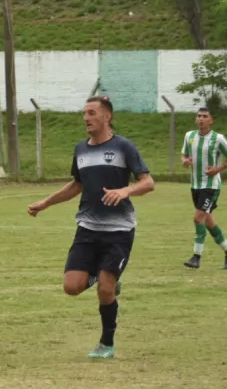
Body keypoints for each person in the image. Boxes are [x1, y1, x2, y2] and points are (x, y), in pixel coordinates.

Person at [27, 96, 155, 359]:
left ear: (107, 116)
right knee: (71, 287)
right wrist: (45, 203)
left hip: (119, 230)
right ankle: (106, 277)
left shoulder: (124, 147)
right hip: (87, 228)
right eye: (84, 113)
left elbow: (148, 182)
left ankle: (106, 344)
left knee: (105, 290)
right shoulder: (80, 149)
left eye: (92, 113)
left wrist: (125, 190)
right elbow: (77, 185)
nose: (86, 118)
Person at [180, 107, 227, 270]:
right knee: (208, 222)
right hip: (195, 185)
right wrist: (185, 161)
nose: (201, 119)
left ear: (211, 120)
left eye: (205, 116)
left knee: (198, 218)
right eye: (199, 116)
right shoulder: (189, 136)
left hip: (211, 186)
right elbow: (184, 155)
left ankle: (196, 257)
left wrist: (218, 169)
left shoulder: (218, 138)